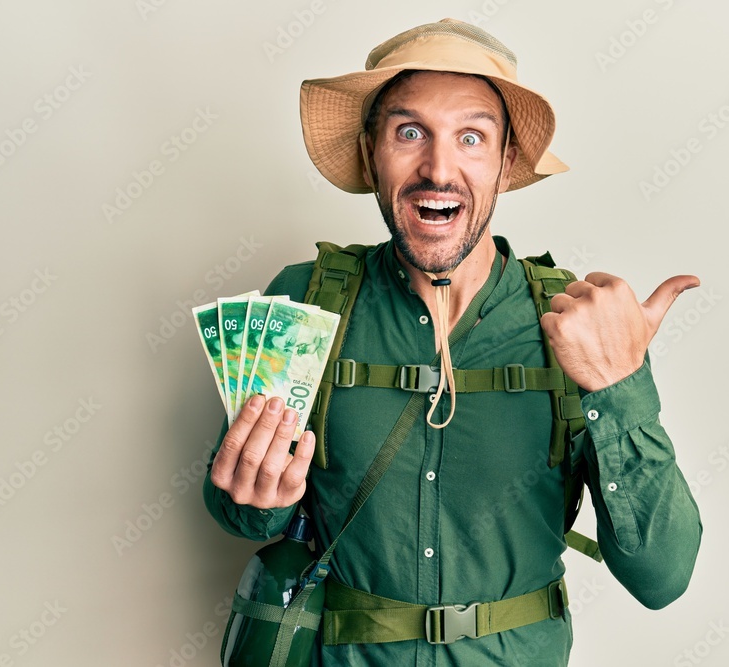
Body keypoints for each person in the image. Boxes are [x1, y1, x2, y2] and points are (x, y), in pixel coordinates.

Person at [204, 18, 702, 666]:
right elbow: (239, 510)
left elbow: (662, 576)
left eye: (472, 137)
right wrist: (251, 501)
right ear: (369, 153)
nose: (438, 167)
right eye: (409, 133)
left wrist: (621, 384)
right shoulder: (304, 302)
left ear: (506, 161)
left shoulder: (583, 327)